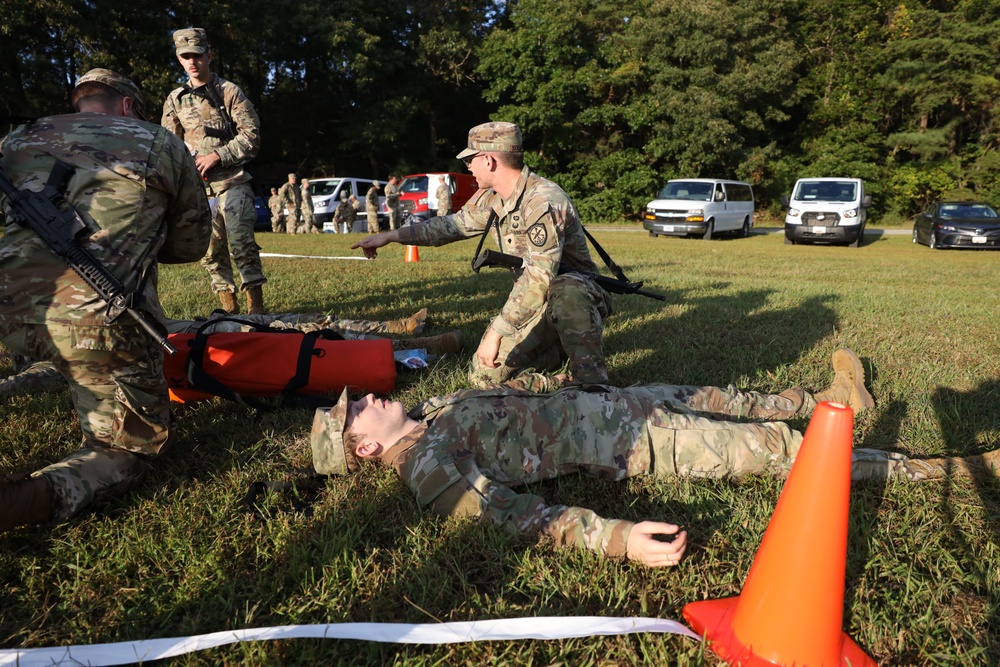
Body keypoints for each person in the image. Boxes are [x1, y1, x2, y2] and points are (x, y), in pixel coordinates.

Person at [312, 349, 1000, 567]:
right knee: (789, 456)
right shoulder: (426, 467)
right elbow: (504, 514)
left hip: (614, 401)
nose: (370, 393)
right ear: (364, 446)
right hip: (634, 443)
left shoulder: (427, 418)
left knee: (725, 396)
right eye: (358, 409)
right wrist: (615, 537)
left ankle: (828, 394)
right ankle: (952, 468)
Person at [0, 68, 212, 534]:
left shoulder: (17, 141)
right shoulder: (159, 142)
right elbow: (191, 245)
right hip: (97, 323)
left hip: (8, 310)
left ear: (79, 101)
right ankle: (21, 500)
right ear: (126, 105)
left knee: (51, 354)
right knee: (131, 448)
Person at [353, 122, 611, 392]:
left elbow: (539, 277)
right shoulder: (493, 198)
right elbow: (449, 227)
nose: (468, 167)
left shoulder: (542, 200)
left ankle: (589, 380)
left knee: (566, 288)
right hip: (538, 305)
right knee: (483, 377)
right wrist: (392, 236)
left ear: (488, 160)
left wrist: (497, 330)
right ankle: (558, 356)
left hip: (576, 298)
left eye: (470, 159)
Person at [2, 308, 464, 400]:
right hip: (152, 348)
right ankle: (405, 343)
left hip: (165, 333)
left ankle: (401, 337)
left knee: (292, 329)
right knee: (296, 338)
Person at [161, 27, 266, 315]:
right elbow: (167, 146)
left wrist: (217, 156)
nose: (192, 62)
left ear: (209, 55)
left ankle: (256, 310)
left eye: (197, 55)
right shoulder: (175, 99)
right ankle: (228, 311)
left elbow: (252, 136)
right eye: (185, 57)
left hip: (232, 181)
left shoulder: (228, 91)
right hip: (198, 189)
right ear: (179, 60)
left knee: (241, 243)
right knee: (210, 252)